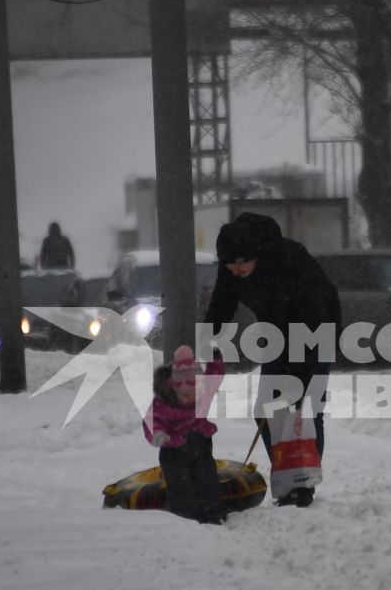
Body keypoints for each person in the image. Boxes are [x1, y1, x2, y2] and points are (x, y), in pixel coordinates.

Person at [204, 212, 341, 508]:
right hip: (277, 336)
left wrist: (299, 373)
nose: (235, 270)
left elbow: (314, 311)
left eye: (241, 263)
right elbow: (222, 302)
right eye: (229, 265)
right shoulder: (232, 266)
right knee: (265, 411)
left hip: (317, 333)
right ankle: (287, 476)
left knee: (303, 412)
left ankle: (303, 487)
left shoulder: (290, 259)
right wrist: (205, 339)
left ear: (255, 254)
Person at [144, 345, 225, 525]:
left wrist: (215, 360)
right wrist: (157, 434)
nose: (190, 396)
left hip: (201, 445)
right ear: (174, 388)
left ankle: (211, 513)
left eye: (194, 391)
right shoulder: (164, 402)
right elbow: (152, 419)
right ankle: (185, 517)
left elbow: (214, 378)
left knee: (207, 480)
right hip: (174, 451)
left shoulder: (203, 395)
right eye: (185, 393)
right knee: (181, 487)